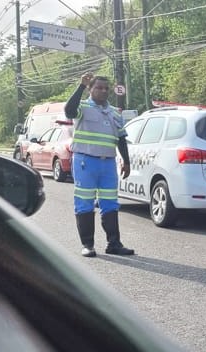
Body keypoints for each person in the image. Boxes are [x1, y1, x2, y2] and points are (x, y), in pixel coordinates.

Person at [64, 73, 134, 257]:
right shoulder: (82, 107)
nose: (103, 91)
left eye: (106, 88)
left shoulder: (115, 112)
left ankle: (114, 244)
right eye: (98, 88)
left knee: (110, 203)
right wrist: (80, 85)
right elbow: (69, 111)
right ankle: (88, 245)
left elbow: (121, 138)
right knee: (85, 202)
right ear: (90, 89)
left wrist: (126, 161)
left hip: (108, 163)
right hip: (85, 162)